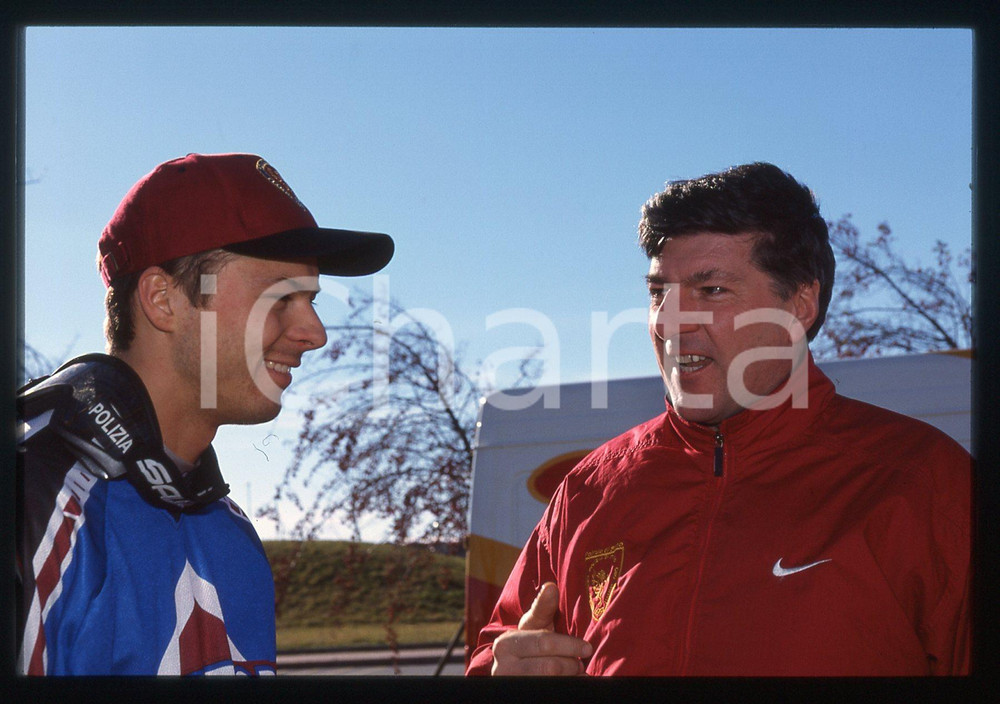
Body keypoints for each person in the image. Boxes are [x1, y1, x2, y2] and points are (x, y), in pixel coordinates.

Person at [466, 162, 971, 676]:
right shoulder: (587, 491)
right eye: (658, 292)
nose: (667, 322)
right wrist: (500, 675)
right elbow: (497, 650)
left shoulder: (924, 482)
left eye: (711, 291)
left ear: (799, 304)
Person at [16, 152, 394, 675]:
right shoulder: (29, 502)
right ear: (162, 300)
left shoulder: (231, 532)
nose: (316, 333)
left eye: (311, 300)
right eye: (279, 298)